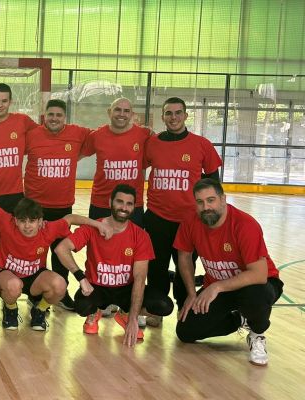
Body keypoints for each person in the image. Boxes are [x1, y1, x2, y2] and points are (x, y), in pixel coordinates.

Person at [174, 179, 283, 366]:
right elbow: (184, 257)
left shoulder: (245, 225)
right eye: (200, 202)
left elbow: (259, 275)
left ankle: (257, 334)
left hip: (258, 284)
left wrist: (217, 286)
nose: (205, 207)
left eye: (211, 200)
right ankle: (239, 318)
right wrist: (192, 293)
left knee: (257, 293)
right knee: (186, 332)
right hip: (222, 288)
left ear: (223, 199)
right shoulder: (191, 221)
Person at [55, 184, 174, 347]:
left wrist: (133, 319)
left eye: (129, 204)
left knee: (164, 306)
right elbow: (61, 249)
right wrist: (81, 277)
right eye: (120, 202)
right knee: (82, 306)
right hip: (97, 287)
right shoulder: (93, 227)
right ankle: (94, 312)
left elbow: (140, 278)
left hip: (126, 289)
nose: (124, 207)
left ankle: (125, 314)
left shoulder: (141, 236)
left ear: (134, 207)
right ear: (110, 201)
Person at [0, 197, 111, 331]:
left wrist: (98, 224)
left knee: (60, 285)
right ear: (15, 220)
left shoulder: (48, 229)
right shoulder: (7, 222)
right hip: (7, 274)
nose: (27, 226)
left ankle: (39, 310)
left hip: (34, 276)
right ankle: (10, 308)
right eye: (22, 221)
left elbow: (70, 218)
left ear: (40, 221)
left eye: (32, 221)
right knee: (13, 286)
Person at [144, 97, 222, 323]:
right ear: (163, 117)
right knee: (156, 266)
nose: (174, 117)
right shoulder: (153, 143)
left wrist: (211, 214)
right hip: (157, 217)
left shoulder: (201, 144)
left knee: (184, 266)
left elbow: (213, 183)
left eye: (178, 113)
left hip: (189, 221)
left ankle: (183, 307)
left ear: (186, 116)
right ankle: (157, 311)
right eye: (169, 113)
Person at [24, 99, 92, 311]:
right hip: (35, 206)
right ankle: (33, 292)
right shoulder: (32, 135)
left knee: (60, 251)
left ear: (65, 117)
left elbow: (101, 137)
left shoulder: (78, 133)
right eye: (50, 114)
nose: (54, 118)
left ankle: (61, 293)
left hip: (62, 207)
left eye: (58, 115)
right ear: (44, 116)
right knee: (35, 252)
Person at [80, 98, 151, 226]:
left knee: (131, 245)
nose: (122, 114)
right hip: (101, 203)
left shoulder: (144, 134)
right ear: (109, 112)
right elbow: (74, 157)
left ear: (132, 114)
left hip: (131, 205)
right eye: (117, 109)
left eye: (126, 111)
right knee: (99, 244)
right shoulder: (97, 136)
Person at [0, 83, 39, 214]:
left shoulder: (22, 121)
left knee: (12, 233)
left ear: (10, 102)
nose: (0, 105)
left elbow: (42, 135)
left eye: (4, 101)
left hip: (14, 193)